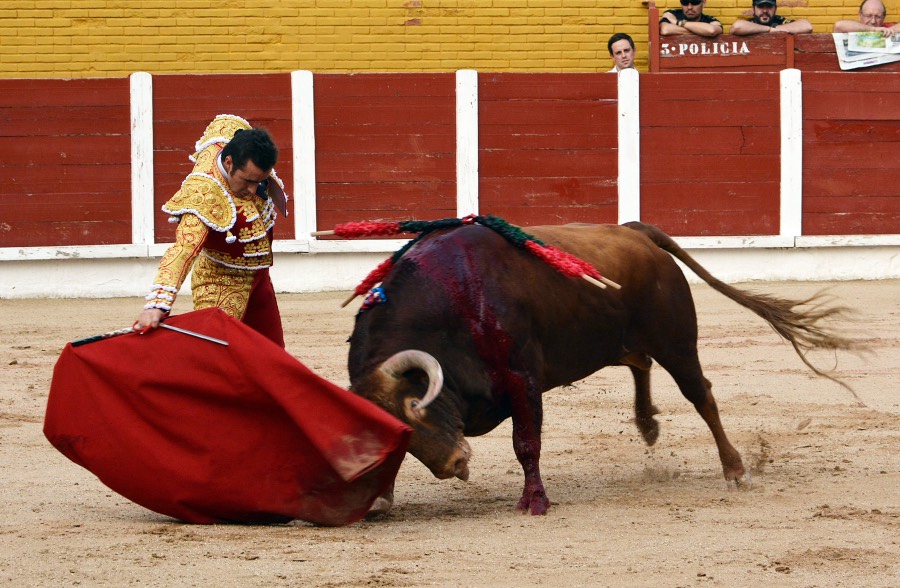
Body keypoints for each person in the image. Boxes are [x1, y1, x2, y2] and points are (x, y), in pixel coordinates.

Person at [135, 114, 289, 347]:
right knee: (217, 353)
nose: (253, 189)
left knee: (272, 353)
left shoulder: (232, 133)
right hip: (221, 279)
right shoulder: (203, 195)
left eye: (260, 181)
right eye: (247, 180)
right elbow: (183, 251)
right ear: (229, 163)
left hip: (259, 274)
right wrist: (157, 304)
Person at [730, 0, 813, 35]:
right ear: (753, 9)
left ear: (775, 9)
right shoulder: (750, 23)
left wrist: (773, 29)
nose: (765, 11)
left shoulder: (781, 21)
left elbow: (807, 26)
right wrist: (769, 29)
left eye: (769, 7)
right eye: (760, 7)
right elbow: (736, 27)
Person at [834, 0, 900, 35]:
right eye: (868, 16)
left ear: (883, 18)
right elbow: (839, 25)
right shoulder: (853, 28)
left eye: (878, 17)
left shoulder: (887, 28)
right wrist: (874, 30)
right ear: (860, 15)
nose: (873, 21)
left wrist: (889, 31)